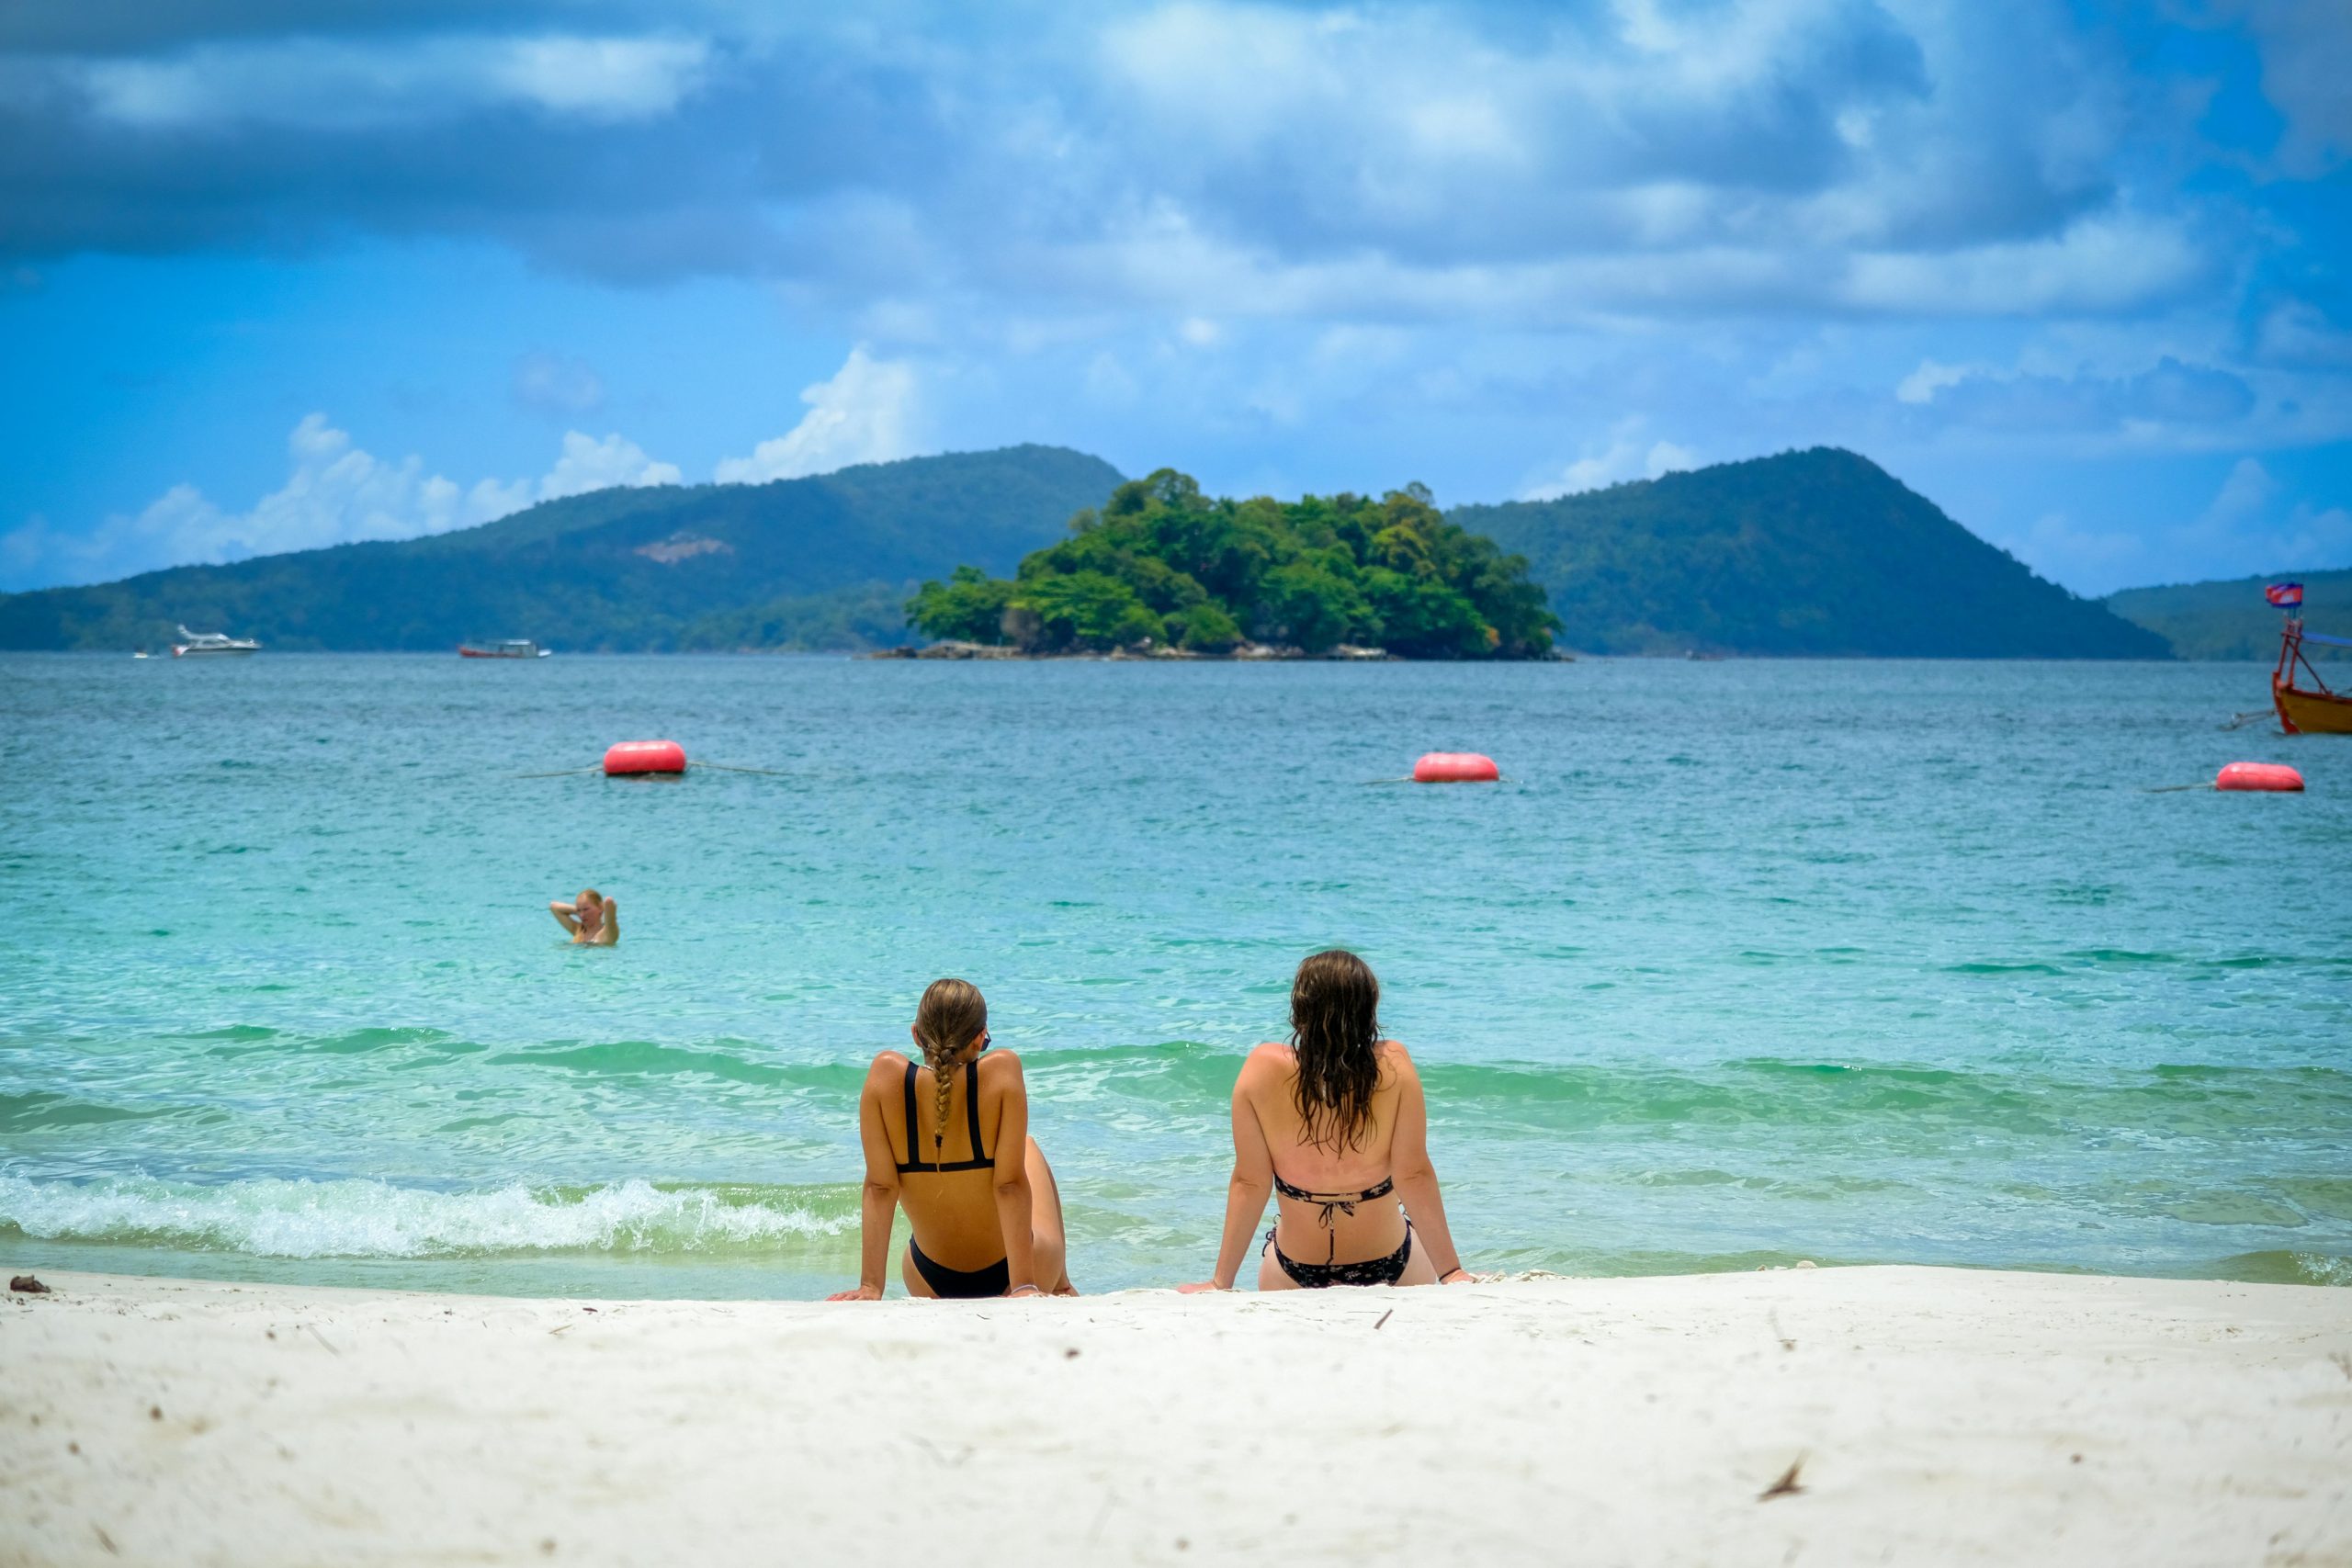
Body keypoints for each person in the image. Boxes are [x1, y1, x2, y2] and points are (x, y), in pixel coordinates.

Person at [1181, 950, 1472, 1292]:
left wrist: (1220, 1282)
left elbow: (1250, 1182)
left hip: (1293, 1269)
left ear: (1300, 1008)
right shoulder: (1393, 1063)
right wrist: (1451, 1272)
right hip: (1392, 1263)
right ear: (1368, 1008)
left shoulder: (1262, 1067)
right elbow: (1413, 1173)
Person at [828, 978, 1076, 1301]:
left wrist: (871, 1286)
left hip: (925, 1277)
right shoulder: (1003, 1071)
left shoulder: (885, 1077)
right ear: (979, 1038)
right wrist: (1024, 1286)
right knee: (1026, 1146)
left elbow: (880, 1188)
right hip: (1018, 1271)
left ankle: (874, 1284)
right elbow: (1009, 1185)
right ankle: (1062, 1286)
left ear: (916, 1034)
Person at [548, 888, 618, 946]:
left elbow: (609, 902)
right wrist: (579, 911)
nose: (582, 915)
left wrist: (605, 909)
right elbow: (553, 906)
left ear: (600, 908)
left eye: (586, 909)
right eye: (579, 910)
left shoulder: (608, 934)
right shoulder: (578, 930)